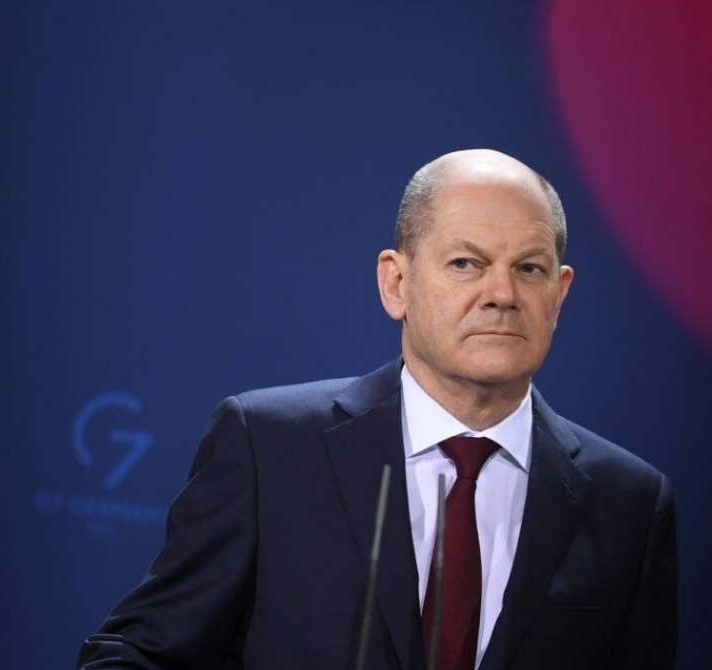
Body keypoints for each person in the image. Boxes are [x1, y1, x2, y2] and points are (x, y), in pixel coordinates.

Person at [77, 149, 678, 670]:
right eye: (465, 263)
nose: (502, 294)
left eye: (529, 268)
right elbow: (136, 656)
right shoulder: (269, 448)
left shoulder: (629, 504)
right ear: (396, 284)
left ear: (559, 293)